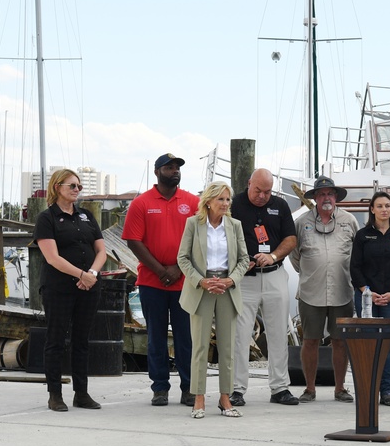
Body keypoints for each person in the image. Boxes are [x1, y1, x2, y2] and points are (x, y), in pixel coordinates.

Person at [123, 153, 199, 407]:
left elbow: (201, 239)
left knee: (186, 337)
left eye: (177, 167)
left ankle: (189, 388)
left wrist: (178, 268)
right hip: (151, 282)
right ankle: (160, 388)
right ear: (157, 172)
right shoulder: (141, 203)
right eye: (169, 167)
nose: (175, 171)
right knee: (155, 337)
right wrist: (160, 270)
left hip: (184, 280)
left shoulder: (192, 202)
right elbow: (134, 240)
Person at [34, 169, 107, 412]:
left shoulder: (86, 216)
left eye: (79, 186)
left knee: (82, 341)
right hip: (59, 288)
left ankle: (82, 393)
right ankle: (54, 393)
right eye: (72, 185)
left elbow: (101, 251)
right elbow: (52, 258)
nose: (77, 189)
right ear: (57, 187)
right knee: (55, 340)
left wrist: (92, 275)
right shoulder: (47, 218)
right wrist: (81, 275)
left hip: (89, 287)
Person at [177, 182, 249, 418]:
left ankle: (225, 398)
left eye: (228, 199)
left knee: (228, 347)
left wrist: (230, 280)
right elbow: (183, 258)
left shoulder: (235, 225)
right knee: (199, 347)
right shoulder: (193, 224)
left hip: (227, 288)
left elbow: (243, 259)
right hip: (202, 288)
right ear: (208, 201)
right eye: (221, 199)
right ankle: (198, 398)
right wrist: (201, 280)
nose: (226, 204)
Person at [229, 169, 299, 407]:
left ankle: (280, 387)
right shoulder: (234, 204)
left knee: (279, 332)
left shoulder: (280, 205)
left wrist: (274, 256)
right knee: (240, 335)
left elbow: (290, 238)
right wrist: (238, 261)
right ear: (249, 183)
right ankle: (236, 389)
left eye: (267, 191)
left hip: (274, 274)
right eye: (258, 190)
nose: (262, 196)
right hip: (244, 278)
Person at [290, 176, 359, 403]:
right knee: (310, 340)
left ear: (336, 197)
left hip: (342, 290)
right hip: (311, 291)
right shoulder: (301, 223)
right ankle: (310, 389)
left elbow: (357, 254)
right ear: (315, 198)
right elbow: (295, 256)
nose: (326, 198)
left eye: (330, 193)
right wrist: (313, 271)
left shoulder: (349, 221)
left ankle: (340, 388)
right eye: (321, 194)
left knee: (340, 341)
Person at [350, 191, 390, 406]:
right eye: (380, 206)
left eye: (388, 206)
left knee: (387, 343)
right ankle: (368, 388)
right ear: (372, 210)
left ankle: (387, 390)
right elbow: (355, 268)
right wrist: (368, 292)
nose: (384, 209)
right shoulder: (363, 235)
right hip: (367, 297)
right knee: (368, 342)